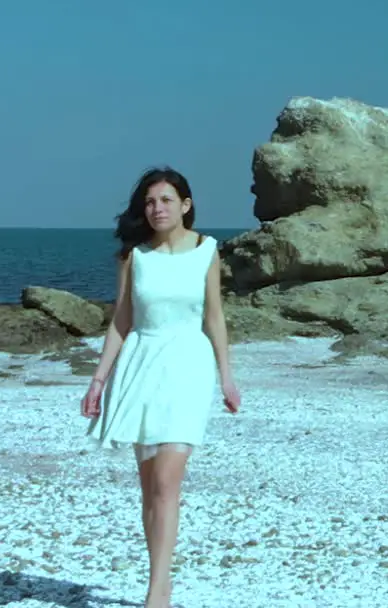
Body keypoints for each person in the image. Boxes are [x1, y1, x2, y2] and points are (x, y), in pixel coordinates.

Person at [80, 166, 241, 608]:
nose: (157, 209)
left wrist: (226, 376)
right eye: (151, 202)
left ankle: (157, 595)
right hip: (140, 365)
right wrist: (98, 381)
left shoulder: (207, 250)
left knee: (168, 481)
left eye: (167, 200)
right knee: (150, 485)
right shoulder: (135, 256)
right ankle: (161, 583)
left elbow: (214, 317)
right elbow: (122, 320)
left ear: (186, 205)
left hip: (188, 365)